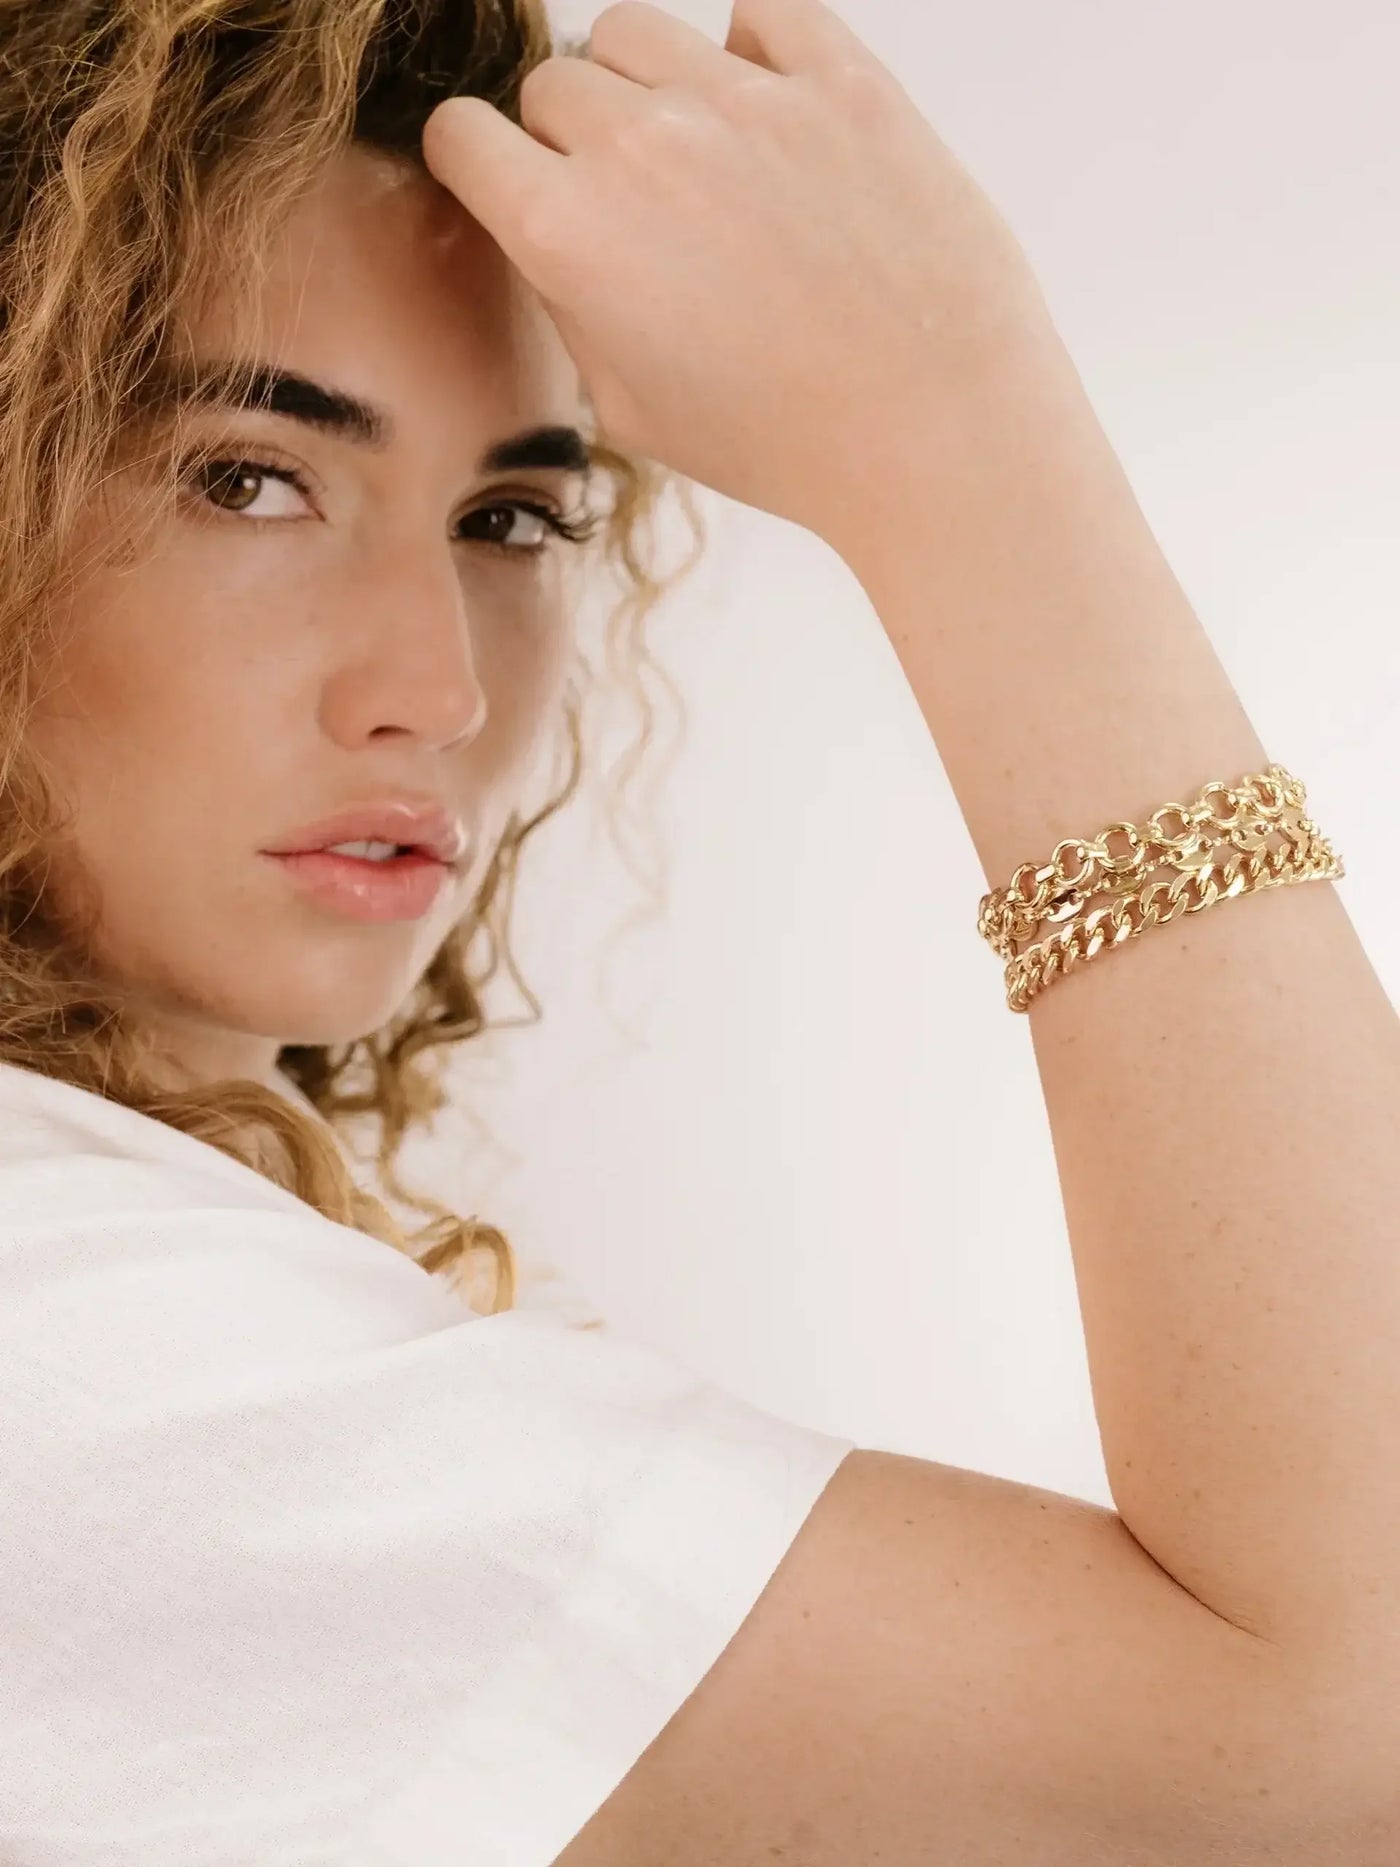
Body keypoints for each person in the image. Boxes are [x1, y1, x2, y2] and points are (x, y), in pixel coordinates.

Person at [0, 0, 1395, 1863]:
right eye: (248, 477)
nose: (436, 691)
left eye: (511, 515)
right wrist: (971, 442)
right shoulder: (74, 1325)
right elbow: (1336, 1740)